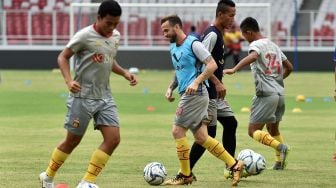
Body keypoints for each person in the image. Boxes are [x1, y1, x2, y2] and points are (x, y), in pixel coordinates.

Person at [39, 1, 138, 188]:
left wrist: (124, 72)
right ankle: (48, 177)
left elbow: (109, 60)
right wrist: (69, 81)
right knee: (72, 141)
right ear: (99, 17)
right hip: (82, 97)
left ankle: (87, 182)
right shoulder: (84, 36)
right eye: (108, 23)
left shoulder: (115, 36)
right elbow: (63, 57)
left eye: (116, 24)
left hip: (105, 97)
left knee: (113, 139)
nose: (112, 28)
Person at [161, 15, 244, 186]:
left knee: (177, 131)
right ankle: (234, 165)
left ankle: (185, 175)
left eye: (166, 30)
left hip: (196, 93)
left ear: (177, 27)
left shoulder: (193, 44)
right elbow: (180, 71)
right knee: (202, 137)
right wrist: (171, 88)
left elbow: (212, 64)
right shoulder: (173, 47)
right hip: (188, 93)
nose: (164, 34)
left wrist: (197, 81)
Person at [223, 17, 293, 170]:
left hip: (266, 94)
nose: (245, 39)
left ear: (249, 32)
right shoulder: (273, 45)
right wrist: (276, 80)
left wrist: (235, 69)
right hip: (279, 93)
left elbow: (254, 56)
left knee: (253, 131)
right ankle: (279, 162)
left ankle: (281, 147)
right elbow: (289, 67)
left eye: (244, 35)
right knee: (273, 129)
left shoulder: (256, 45)